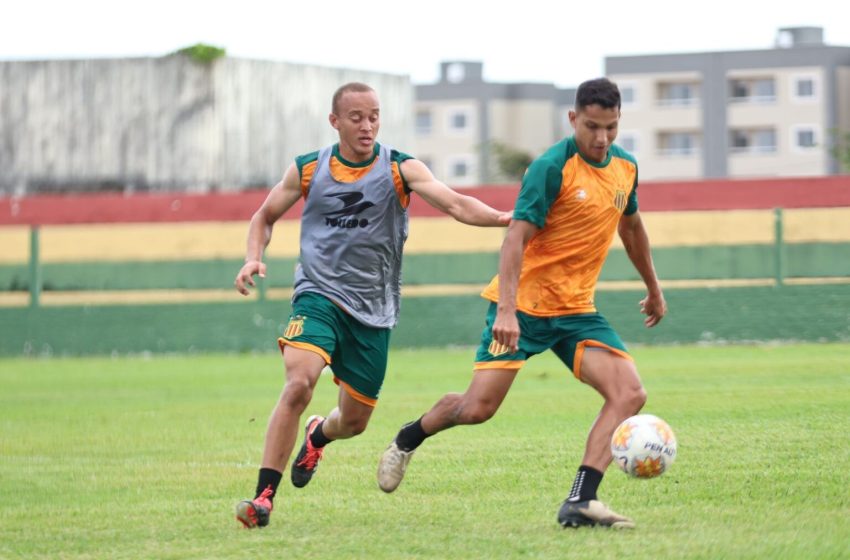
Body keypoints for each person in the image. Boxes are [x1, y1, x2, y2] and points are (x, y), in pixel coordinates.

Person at [377, 77, 667, 530]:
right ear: (573, 119)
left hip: (575, 312)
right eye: (591, 126)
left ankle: (581, 501)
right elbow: (515, 239)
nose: (601, 138)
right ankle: (408, 438)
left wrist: (653, 286)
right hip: (524, 307)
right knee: (477, 409)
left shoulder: (625, 168)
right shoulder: (551, 167)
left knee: (630, 393)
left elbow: (631, 228)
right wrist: (508, 310)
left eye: (610, 127)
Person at [232, 82, 511, 529]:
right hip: (318, 296)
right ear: (335, 121)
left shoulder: (400, 168)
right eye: (357, 117)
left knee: (355, 422)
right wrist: (253, 256)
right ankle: (264, 496)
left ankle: (319, 435)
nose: (367, 126)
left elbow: (455, 203)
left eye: (374, 116)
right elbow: (263, 216)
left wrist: (502, 217)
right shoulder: (308, 169)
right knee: (299, 383)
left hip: (373, 312)